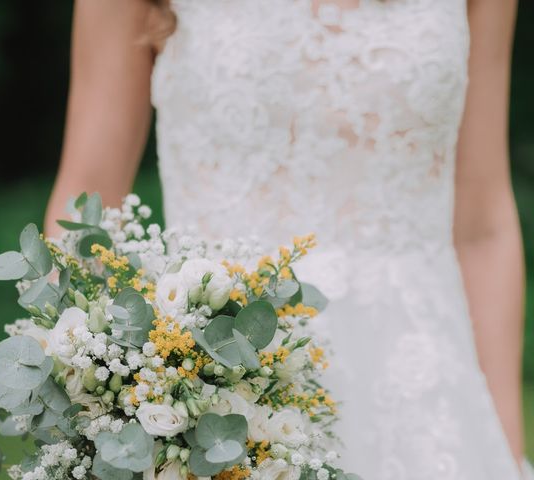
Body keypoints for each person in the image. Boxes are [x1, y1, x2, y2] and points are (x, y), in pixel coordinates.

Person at [46, 1, 529, 477]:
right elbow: (87, 205)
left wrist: (505, 449)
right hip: (222, 402)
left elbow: (481, 228)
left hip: (434, 410)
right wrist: (96, 407)